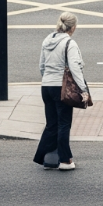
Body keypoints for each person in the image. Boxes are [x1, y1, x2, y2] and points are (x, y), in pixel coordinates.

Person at [33, 12, 89, 171]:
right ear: (73, 28)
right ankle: (65, 160)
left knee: (52, 124)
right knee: (64, 124)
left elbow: (41, 66)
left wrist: (47, 80)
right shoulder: (69, 44)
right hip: (61, 88)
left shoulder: (47, 40)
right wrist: (83, 89)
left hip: (46, 86)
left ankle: (47, 159)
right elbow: (75, 68)